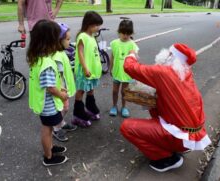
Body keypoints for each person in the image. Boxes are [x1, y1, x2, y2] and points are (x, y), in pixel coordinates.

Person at [120, 43, 211, 172]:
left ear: (172, 57)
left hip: (180, 137)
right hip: (194, 135)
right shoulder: (186, 74)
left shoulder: (164, 72)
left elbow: (130, 67)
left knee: (127, 127)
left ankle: (166, 159)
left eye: (169, 52)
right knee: (155, 109)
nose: (166, 53)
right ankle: (172, 147)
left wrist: (131, 54)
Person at [27, 19, 68, 166]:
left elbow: (47, 82)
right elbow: (51, 88)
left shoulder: (37, 57)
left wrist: (59, 87)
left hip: (42, 103)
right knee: (47, 129)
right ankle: (48, 157)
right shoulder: (47, 63)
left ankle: (50, 147)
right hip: (48, 105)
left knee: (48, 129)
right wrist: (62, 94)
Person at [72, 11, 103, 127]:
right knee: (81, 90)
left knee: (91, 89)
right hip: (84, 70)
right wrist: (85, 68)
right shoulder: (82, 36)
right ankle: (77, 114)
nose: (98, 28)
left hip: (92, 70)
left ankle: (90, 108)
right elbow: (80, 53)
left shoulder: (92, 36)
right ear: (89, 24)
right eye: (96, 25)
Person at [52, 22, 78, 142]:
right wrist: (61, 89)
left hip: (63, 88)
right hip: (60, 90)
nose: (69, 41)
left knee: (65, 108)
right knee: (63, 108)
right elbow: (58, 75)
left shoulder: (61, 52)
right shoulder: (56, 56)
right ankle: (56, 128)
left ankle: (61, 123)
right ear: (58, 41)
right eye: (67, 39)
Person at [109, 19, 139, 118]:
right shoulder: (114, 43)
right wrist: (111, 68)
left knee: (124, 91)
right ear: (119, 32)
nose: (125, 36)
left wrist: (134, 55)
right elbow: (112, 56)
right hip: (117, 71)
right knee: (114, 91)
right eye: (123, 33)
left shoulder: (132, 44)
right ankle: (114, 106)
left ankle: (124, 107)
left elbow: (135, 59)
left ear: (131, 33)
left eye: (128, 33)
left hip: (126, 73)